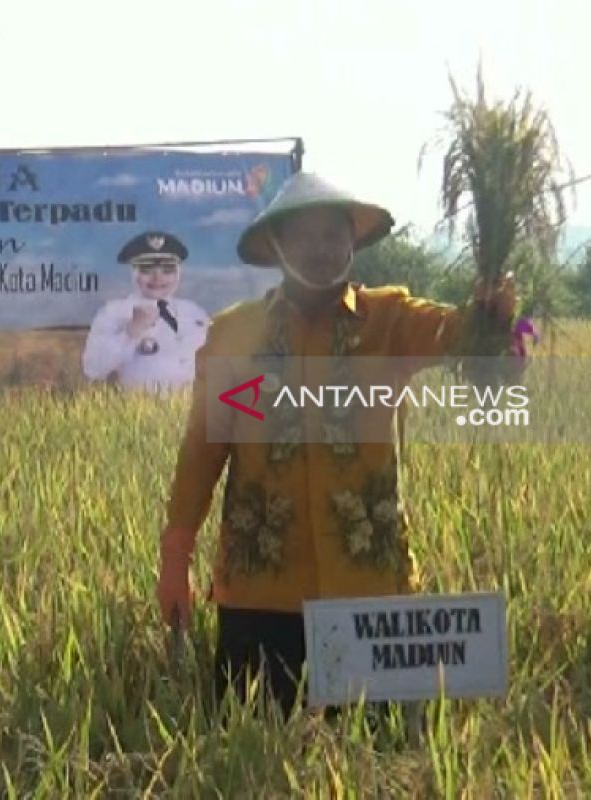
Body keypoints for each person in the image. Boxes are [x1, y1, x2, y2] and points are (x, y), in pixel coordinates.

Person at [155, 172, 517, 721]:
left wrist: (493, 317)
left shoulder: (390, 322)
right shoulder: (235, 335)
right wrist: (175, 557)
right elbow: (204, 450)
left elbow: (469, 342)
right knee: (257, 762)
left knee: (376, 759)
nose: (321, 249)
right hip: (260, 596)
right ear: (276, 246)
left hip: (370, 596)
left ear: (352, 241)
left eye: (333, 234)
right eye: (305, 236)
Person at [82, 231, 210, 392]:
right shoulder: (114, 312)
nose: (158, 278)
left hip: (191, 409)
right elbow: (93, 369)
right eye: (147, 269)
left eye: (168, 270)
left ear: (178, 273)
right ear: (133, 272)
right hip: (143, 410)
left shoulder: (194, 312)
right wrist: (130, 331)